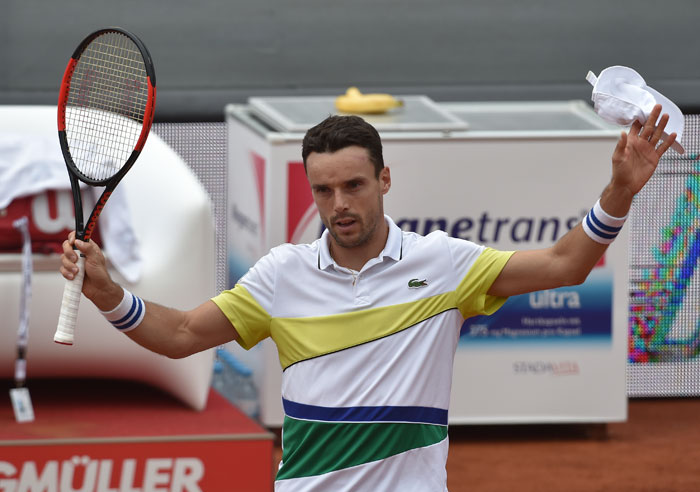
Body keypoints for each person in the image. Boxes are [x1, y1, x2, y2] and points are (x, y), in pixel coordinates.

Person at [60, 105, 676, 491]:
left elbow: (567, 265)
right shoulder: (282, 275)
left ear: (385, 179)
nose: (339, 205)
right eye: (323, 191)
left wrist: (619, 189)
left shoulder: (443, 265)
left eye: (354, 185)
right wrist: (110, 294)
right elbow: (182, 336)